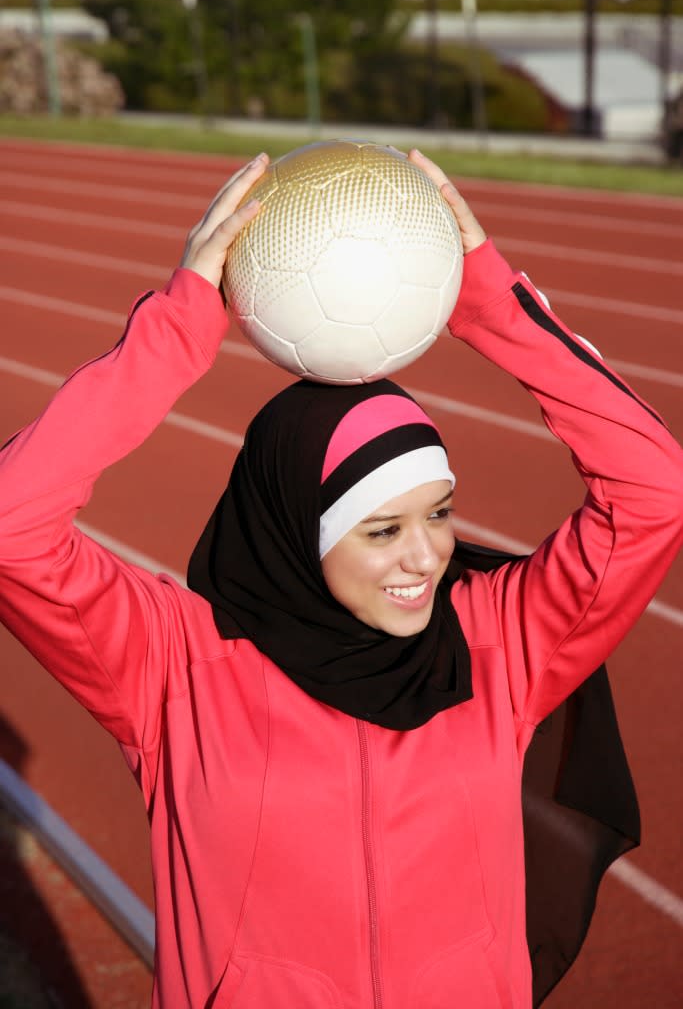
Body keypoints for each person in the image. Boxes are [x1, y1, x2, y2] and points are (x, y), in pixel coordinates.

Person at [0, 149, 681, 1009]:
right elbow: (11, 525)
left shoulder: (498, 642)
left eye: (438, 514)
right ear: (294, 534)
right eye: (381, 530)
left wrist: (486, 304)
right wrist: (177, 331)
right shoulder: (174, 668)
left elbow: (654, 493)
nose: (425, 556)